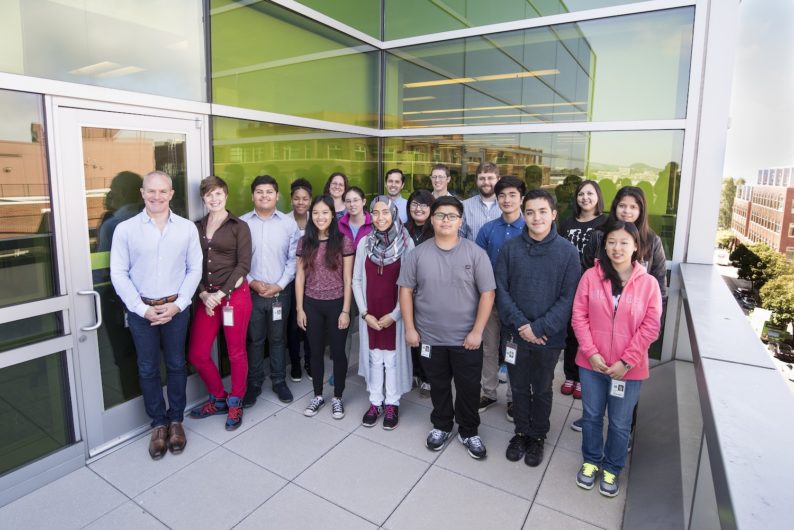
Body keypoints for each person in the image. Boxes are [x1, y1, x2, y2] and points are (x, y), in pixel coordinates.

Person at [110, 170, 202, 460]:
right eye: (152, 191)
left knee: (176, 365)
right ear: (142, 193)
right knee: (147, 369)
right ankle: (158, 424)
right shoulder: (125, 229)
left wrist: (180, 304)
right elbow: (118, 273)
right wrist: (142, 309)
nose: (157, 196)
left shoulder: (186, 228)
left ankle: (176, 421)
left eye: (163, 191)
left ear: (172, 194)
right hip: (142, 311)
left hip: (176, 309)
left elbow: (194, 269)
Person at [398, 196, 496, 459]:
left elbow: (488, 294)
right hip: (430, 336)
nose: (445, 220)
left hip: (467, 339)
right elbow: (405, 291)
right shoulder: (417, 254)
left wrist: (477, 331)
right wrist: (410, 328)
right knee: (438, 385)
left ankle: (468, 430)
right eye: (440, 215)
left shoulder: (476, 253)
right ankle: (441, 424)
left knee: (468, 387)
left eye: (451, 216)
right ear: (432, 219)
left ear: (460, 221)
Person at [571, 221, 662, 497]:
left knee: (621, 423)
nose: (617, 248)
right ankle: (591, 461)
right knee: (592, 416)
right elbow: (579, 316)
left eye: (624, 242)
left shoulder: (649, 284)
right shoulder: (591, 276)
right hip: (592, 364)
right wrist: (592, 353)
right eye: (611, 241)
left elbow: (651, 326)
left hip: (629, 369)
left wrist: (627, 361)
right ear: (604, 245)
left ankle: (612, 467)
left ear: (636, 246)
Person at [495, 189, 580, 468]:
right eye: (529, 211)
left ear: (554, 214)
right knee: (518, 386)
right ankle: (521, 432)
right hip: (515, 334)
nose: (536, 217)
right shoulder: (510, 249)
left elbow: (568, 298)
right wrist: (522, 325)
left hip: (549, 337)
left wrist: (540, 327)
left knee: (542, 388)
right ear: (523, 213)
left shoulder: (567, 252)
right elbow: (502, 290)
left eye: (542, 211)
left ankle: (538, 435)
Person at [187, 176, 252, 430]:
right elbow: (192, 264)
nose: (213, 199)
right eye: (208, 195)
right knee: (198, 353)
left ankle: (236, 401)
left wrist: (220, 294)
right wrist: (203, 293)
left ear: (226, 195)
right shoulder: (196, 227)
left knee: (236, 352)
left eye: (218, 194)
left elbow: (243, 266)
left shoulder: (239, 226)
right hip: (206, 298)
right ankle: (218, 398)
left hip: (233, 297)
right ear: (203, 199)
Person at [353, 196, 414, 429]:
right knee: (374, 358)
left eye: (385, 213)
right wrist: (364, 313)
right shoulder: (364, 243)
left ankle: (392, 403)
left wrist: (396, 315)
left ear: (394, 214)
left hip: (394, 314)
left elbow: (411, 284)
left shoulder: (406, 243)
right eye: (375, 213)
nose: (380, 218)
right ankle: (375, 402)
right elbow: (356, 279)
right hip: (371, 312)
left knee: (392, 359)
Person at [242, 175, 299, 407]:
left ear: (277, 196)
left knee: (277, 339)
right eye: (259, 191)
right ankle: (254, 383)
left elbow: (293, 259)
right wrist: (252, 282)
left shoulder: (288, 223)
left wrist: (280, 284)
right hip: (251, 292)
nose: (264, 196)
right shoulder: (243, 223)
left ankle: (278, 381)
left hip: (280, 293)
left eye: (269, 192)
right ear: (252, 195)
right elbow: (238, 260)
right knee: (255, 340)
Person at [296, 195, 355, 419]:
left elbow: (348, 279)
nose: (321, 217)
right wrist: (300, 309)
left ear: (333, 215)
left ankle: (338, 397)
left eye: (325, 213)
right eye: (317, 213)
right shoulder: (305, 242)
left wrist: (346, 310)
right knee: (315, 352)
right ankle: (318, 395)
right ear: (312, 215)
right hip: (312, 304)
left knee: (338, 353)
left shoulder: (343, 241)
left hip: (337, 303)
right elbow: (300, 277)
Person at [474, 176, 526, 422]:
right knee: (489, 348)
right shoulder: (488, 229)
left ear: (521, 198)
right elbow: (477, 265)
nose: (507, 200)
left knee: (513, 350)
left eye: (512, 195)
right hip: (491, 300)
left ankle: (515, 398)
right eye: (502, 195)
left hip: (517, 304)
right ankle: (488, 392)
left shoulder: (529, 228)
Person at [559, 180, 609, 399]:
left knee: (589, 334)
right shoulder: (568, 222)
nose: (585, 197)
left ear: (598, 196)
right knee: (571, 333)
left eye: (590, 193)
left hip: (594, 286)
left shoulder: (606, 222)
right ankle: (570, 374)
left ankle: (582, 377)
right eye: (581, 193)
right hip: (569, 284)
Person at [404, 189, 435, 395]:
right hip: (406, 290)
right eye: (414, 204)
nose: (418, 208)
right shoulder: (402, 229)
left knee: (427, 336)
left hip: (429, 293)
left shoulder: (436, 231)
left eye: (424, 205)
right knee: (410, 332)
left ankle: (428, 377)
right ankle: (414, 371)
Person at [287, 178, 312, 382]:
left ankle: (310, 362)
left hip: (313, 282)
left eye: (305, 199)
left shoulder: (318, 219)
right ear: (291, 200)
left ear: (310, 201)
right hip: (291, 280)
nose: (301, 202)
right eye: (297, 198)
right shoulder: (285, 221)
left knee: (311, 324)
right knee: (293, 325)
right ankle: (295, 363)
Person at [461, 162, 502, 241]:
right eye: (482, 178)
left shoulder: (508, 206)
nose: (486, 182)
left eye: (490, 178)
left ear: (498, 179)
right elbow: (460, 239)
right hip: (472, 253)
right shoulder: (465, 206)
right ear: (476, 180)